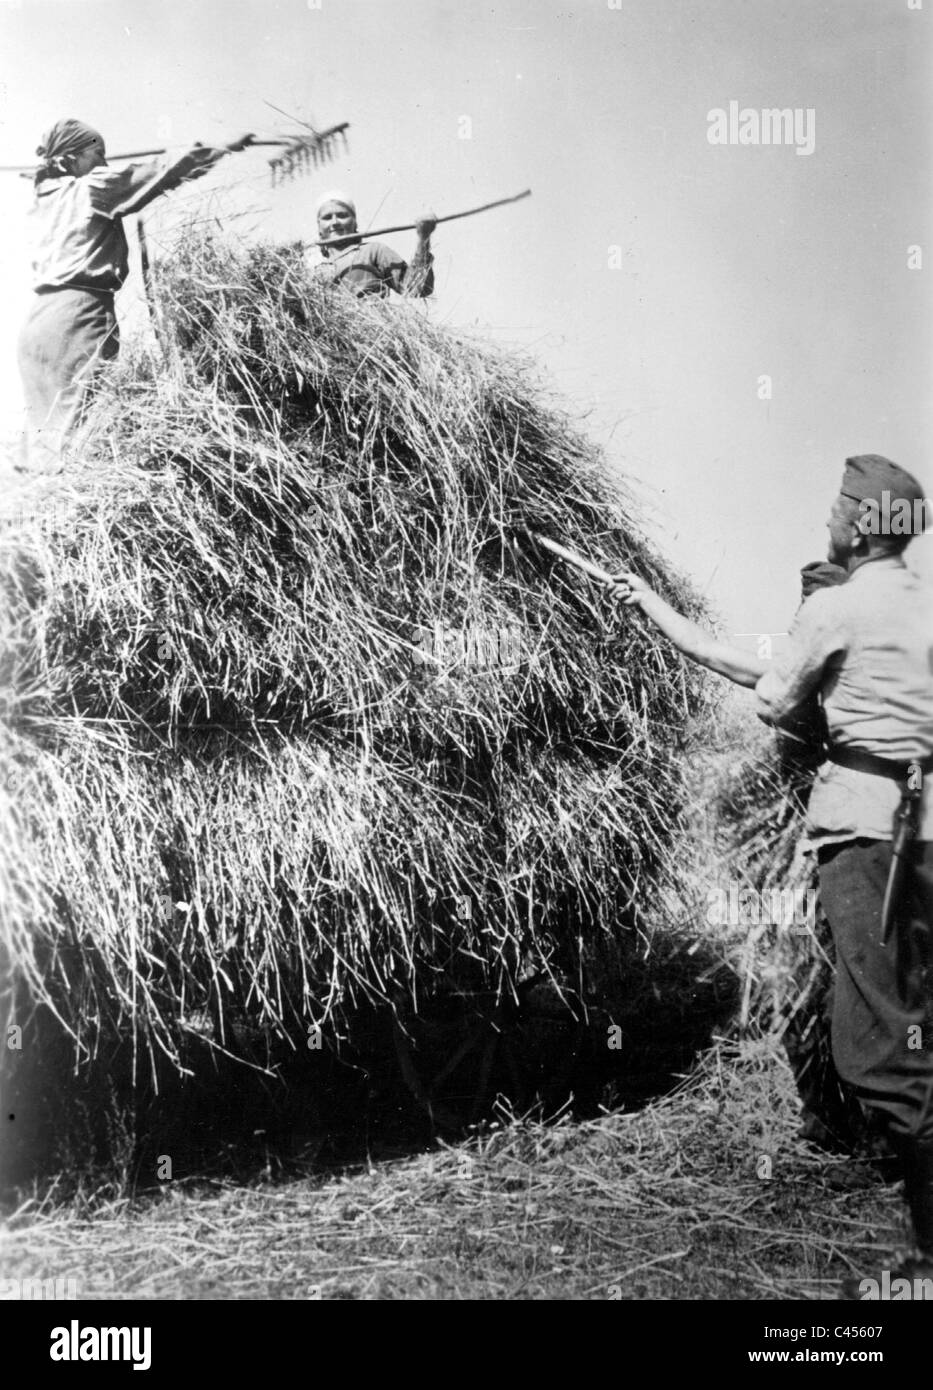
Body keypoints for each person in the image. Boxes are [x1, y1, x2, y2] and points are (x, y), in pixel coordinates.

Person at [607, 454, 933, 1290]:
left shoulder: (836, 606)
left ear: (860, 524)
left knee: (874, 1046)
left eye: (836, 505)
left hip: (867, 844)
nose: (825, 516)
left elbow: (775, 695)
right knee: (917, 1011)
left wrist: (664, 619)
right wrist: (660, 614)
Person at [17, 118, 254, 468]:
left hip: (37, 326)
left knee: (44, 435)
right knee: (81, 431)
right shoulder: (91, 187)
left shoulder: (41, 197)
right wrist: (220, 148)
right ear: (72, 158)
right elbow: (159, 172)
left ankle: (39, 510)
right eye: (97, 154)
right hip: (79, 315)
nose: (103, 163)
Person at [310, 191, 436, 299]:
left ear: (355, 223)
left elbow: (416, 288)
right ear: (319, 227)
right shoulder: (313, 272)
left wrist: (423, 238)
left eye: (342, 216)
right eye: (327, 217)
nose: (335, 222)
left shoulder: (372, 251)